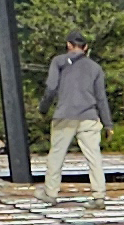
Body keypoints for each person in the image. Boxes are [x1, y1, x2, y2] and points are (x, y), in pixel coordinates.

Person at [38, 30, 112, 206]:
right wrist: (108, 124)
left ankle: (50, 193)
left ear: (68, 45)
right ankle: (99, 196)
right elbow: (101, 98)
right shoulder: (95, 68)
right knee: (94, 157)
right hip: (89, 116)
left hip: (64, 115)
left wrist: (43, 108)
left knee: (56, 155)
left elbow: (51, 89)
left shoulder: (58, 61)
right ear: (85, 48)